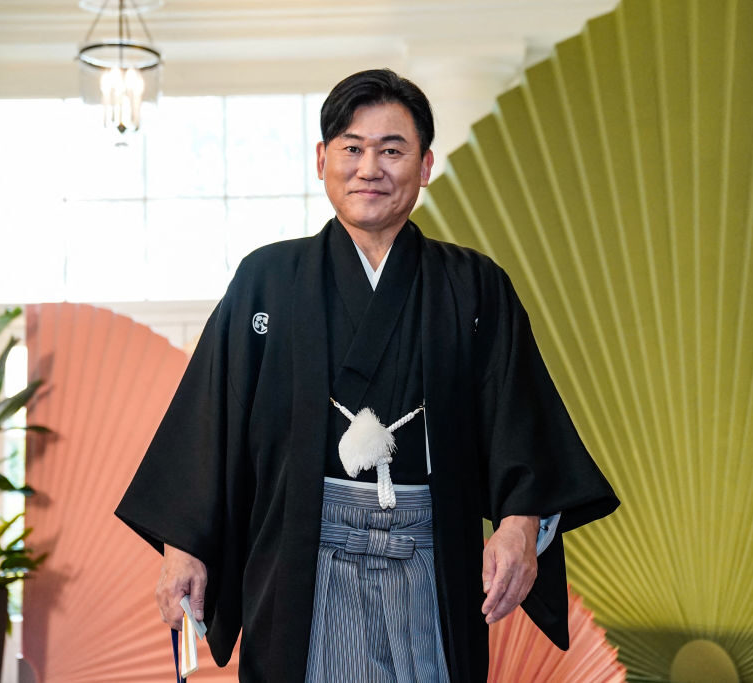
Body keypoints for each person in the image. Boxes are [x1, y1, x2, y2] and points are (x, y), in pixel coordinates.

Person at [116, 68, 618, 683]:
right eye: (352, 148)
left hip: (430, 558)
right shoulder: (267, 279)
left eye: (392, 150)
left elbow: (520, 418)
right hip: (300, 559)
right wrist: (183, 547)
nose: (369, 168)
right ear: (322, 159)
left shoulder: (473, 286)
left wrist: (520, 525)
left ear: (425, 165)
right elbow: (209, 422)